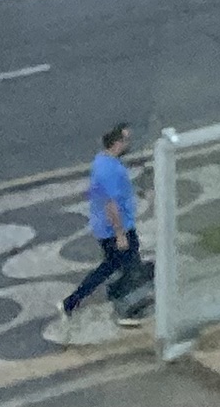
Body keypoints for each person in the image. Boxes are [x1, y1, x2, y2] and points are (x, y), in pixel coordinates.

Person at [60, 120, 142, 322]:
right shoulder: (109, 170)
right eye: (126, 140)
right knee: (125, 268)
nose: (129, 144)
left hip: (107, 227)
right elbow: (111, 204)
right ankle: (124, 309)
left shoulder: (103, 161)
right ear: (117, 142)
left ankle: (73, 301)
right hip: (115, 229)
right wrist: (120, 234)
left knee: (115, 266)